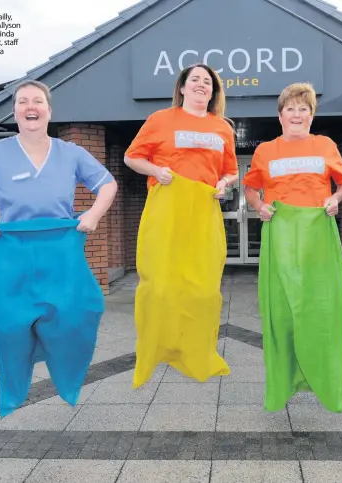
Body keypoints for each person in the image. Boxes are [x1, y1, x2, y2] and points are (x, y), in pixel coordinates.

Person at [0, 80, 117, 416]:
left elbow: (107, 184)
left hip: (60, 251)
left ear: (49, 111)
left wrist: (93, 215)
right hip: (13, 252)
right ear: (15, 112)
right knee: (6, 325)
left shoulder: (71, 153)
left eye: (38, 101)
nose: (30, 106)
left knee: (78, 313)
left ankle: (63, 371)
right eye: (23, 101)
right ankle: (13, 385)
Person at [124, 63, 239, 388]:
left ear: (213, 92)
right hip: (167, 208)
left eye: (208, 82)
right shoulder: (160, 119)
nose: (202, 85)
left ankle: (197, 350)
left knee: (202, 287)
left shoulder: (222, 128)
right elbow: (131, 157)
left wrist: (225, 184)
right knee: (160, 283)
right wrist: (155, 171)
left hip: (203, 210)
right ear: (183, 88)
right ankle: (158, 348)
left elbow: (230, 171)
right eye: (196, 80)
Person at [243, 82, 342, 412]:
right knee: (282, 310)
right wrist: (259, 207)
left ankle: (322, 378)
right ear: (280, 116)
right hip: (281, 235)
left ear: (311, 115)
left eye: (303, 108)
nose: (296, 114)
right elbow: (251, 190)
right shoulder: (265, 151)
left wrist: (335, 199)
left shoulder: (324, 145)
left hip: (317, 236)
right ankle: (286, 380)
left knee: (319, 306)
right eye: (290, 108)